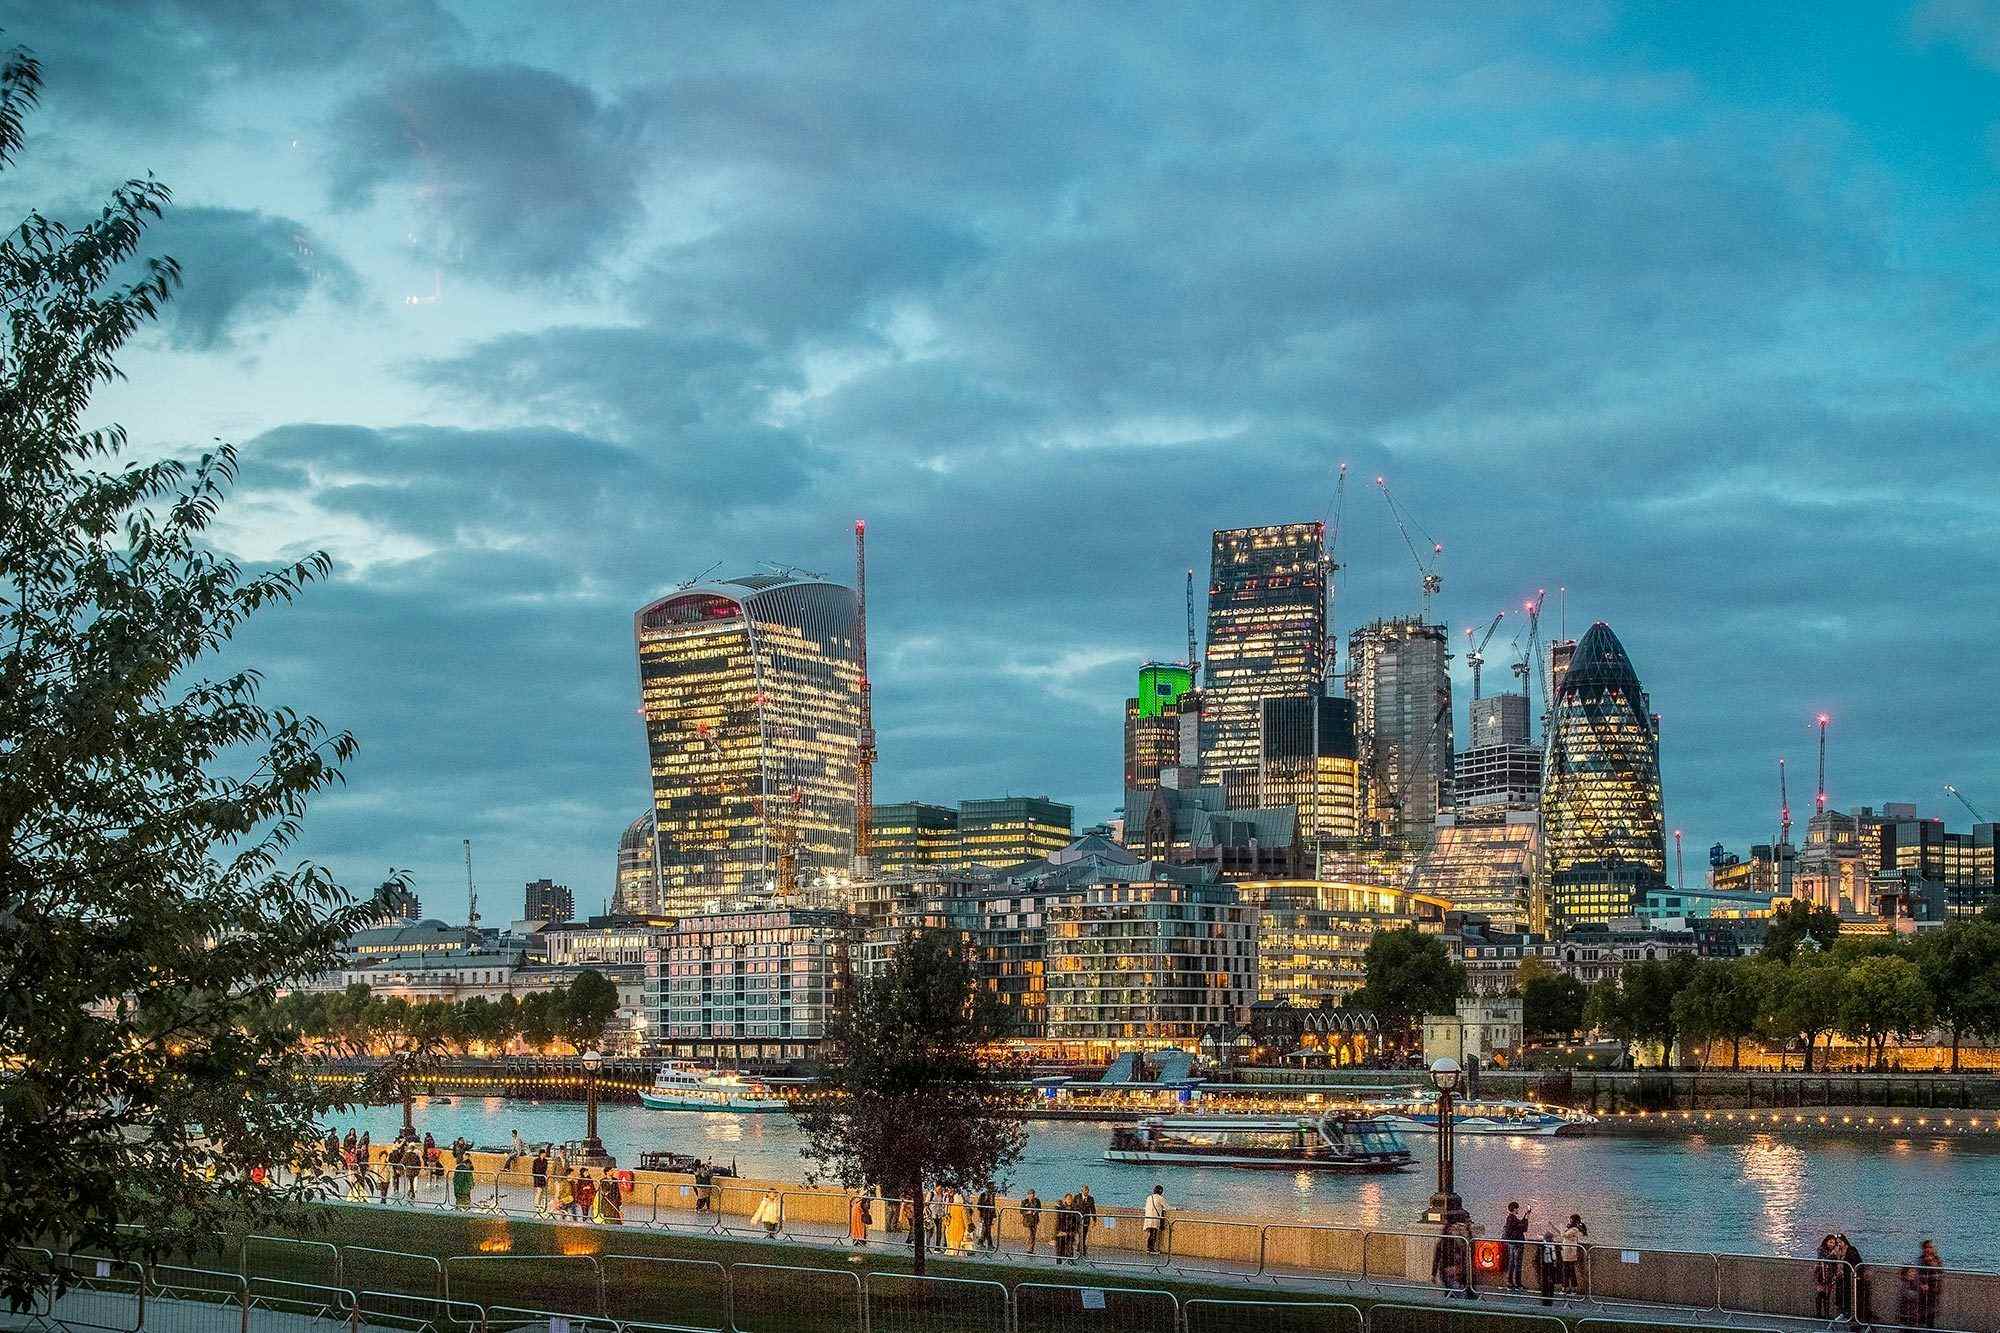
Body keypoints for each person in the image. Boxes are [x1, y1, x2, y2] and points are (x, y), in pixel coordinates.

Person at [1502, 1202, 1532, 1291]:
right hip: (1517, 1244)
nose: (1518, 1210)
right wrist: (1527, 1218)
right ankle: (1517, 1284)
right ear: (1515, 1209)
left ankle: (1510, 1282)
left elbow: (1520, 1225)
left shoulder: (1510, 1218)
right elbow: (1524, 1228)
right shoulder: (1512, 1219)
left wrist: (1526, 1215)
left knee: (1512, 1263)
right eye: (1517, 1208)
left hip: (1512, 1243)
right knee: (1517, 1264)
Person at [1814, 1235, 1841, 1320]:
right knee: (1820, 1293)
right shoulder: (1821, 1249)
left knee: (1827, 1295)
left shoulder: (1835, 1251)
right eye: (1830, 1242)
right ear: (1826, 1241)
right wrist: (1832, 1254)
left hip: (1830, 1275)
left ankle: (1826, 1314)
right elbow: (1822, 1259)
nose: (1832, 1244)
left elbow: (1836, 1263)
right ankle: (1818, 1313)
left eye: (1833, 1243)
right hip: (1821, 1274)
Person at [1559, 1216, 1585, 1296]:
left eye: (1570, 1220)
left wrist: (1561, 1228)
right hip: (1567, 1252)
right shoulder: (1572, 1228)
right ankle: (1566, 1288)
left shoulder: (1574, 1229)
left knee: (1570, 1271)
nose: (1569, 1221)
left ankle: (1573, 1289)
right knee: (1566, 1271)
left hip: (1570, 1253)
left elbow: (1564, 1235)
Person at [1142, 1185, 1168, 1257]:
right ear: (1160, 1191)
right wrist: (1176, 1208)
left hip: (1148, 1217)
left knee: (1150, 1233)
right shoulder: (1160, 1198)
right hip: (1155, 1217)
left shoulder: (1149, 1197)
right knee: (1153, 1233)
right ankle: (1151, 1249)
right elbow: (1167, 1207)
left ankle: (1149, 1248)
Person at [1537, 1232, 1559, 1306]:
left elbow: (1557, 1255)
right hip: (1544, 1267)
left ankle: (1550, 1301)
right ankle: (1545, 1302)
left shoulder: (1554, 1246)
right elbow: (1536, 1259)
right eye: (1550, 1238)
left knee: (1551, 1284)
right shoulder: (1541, 1246)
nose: (1551, 1240)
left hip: (1551, 1266)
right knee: (1545, 1285)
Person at [945, 1190, 969, 1254]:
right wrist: (968, 1230)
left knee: (952, 1247)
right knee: (959, 1246)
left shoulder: (951, 1206)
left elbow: (947, 1219)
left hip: (951, 1229)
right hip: (960, 1229)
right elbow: (965, 1220)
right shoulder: (962, 1208)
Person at [1075, 1186, 1095, 1259]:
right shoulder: (1077, 1197)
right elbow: (1074, 1207)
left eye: (1087, 1191)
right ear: (1082, 1191)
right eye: (1085, 1190)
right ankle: (1081, 1248)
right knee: (1080, 1234)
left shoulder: (1091, 1199)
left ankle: (1081, 1248)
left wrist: (1094, 1219)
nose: (1086, 1192)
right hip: (1078, 1219)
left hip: (1086, 1219)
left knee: (1084, 1234)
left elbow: (1093, 1209)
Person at [1020, 1190, 1042, 1255]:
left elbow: (1040, 1209)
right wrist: (1028, 1212)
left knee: (1033, 1235)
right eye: (1030, 1194)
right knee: (1031, 1234)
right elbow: (1021, 1211)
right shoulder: (1024, 1201)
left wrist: (1036, 1211)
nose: (1031, 1196)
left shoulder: (1037, 1201)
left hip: (1034, 1220)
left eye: (1033, 1195)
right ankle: (1029, 1247)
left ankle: (1031, 1249)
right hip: (1027, 1220)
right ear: (1028, 1195)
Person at [976, 1185, 997, 1251]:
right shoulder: (983, 1195)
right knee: (987, 1229)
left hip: (989, 1215)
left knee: (986, 1229)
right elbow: (979, 1205)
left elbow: (993, 1206)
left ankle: (981, 1241)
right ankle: (989, 1244)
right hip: (984, 1214)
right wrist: (980, 1215)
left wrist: (994, 1216)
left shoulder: (992, 1196)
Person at [531, 1148, 550, 1215]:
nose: (545, 1154)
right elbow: (533, 1170)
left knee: (543, 1192)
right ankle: (536, 1204)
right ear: (541, 1154)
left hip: (543, 1178)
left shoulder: (545, 1161)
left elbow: (545, 1169)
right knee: (539, 1191)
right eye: (544, 1153)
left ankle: (541, 1204)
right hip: (537, 1178)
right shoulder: (536, 1161)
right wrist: (535, 1177)